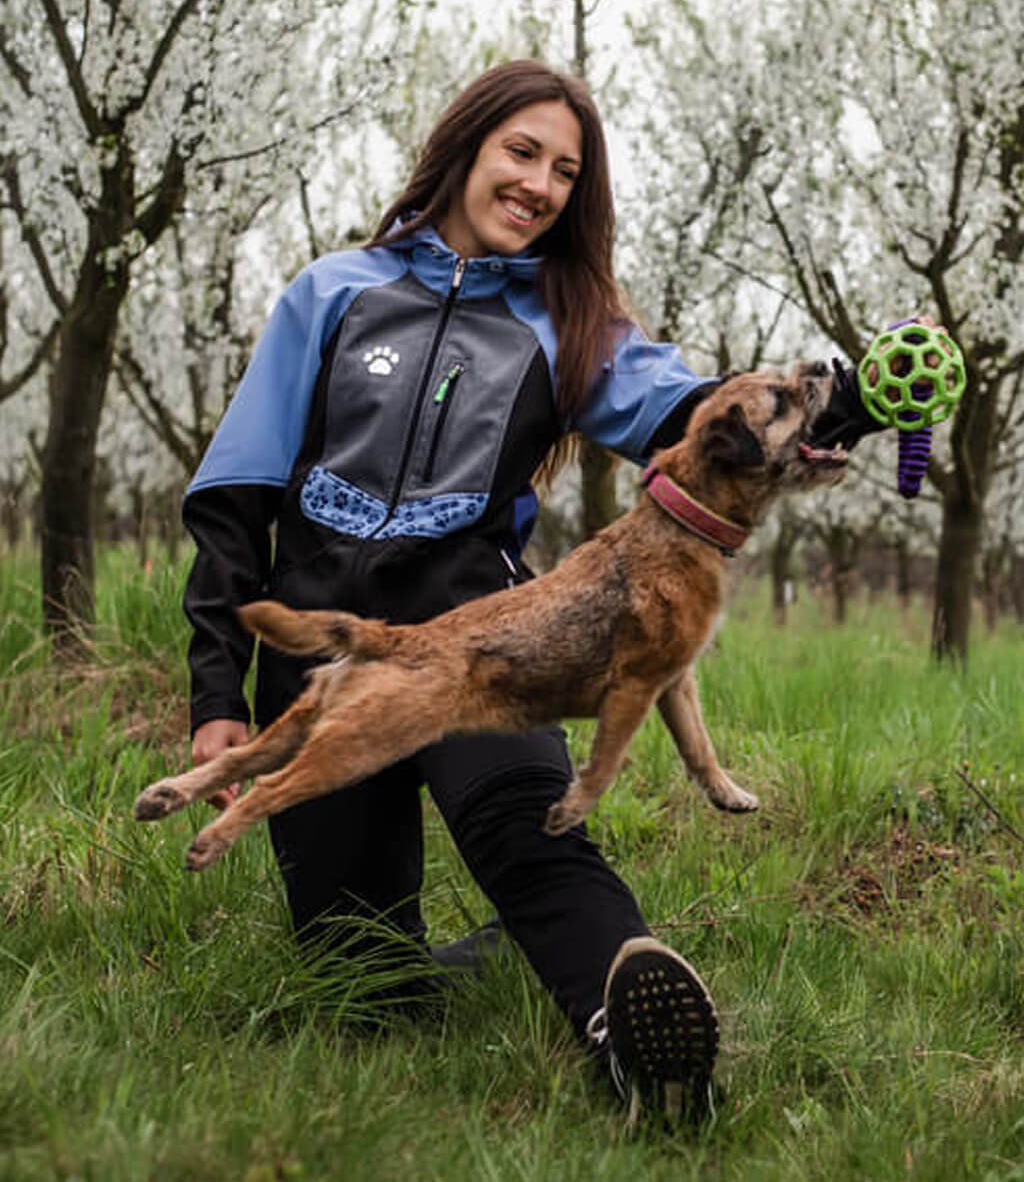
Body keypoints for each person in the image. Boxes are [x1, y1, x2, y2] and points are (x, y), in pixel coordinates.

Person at [182, 59, 879, 1124]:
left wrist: (837, 411)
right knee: (362, 978)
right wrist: (217, 701)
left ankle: (634, 1039)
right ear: (464, 147)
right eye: (522, 152)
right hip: (331, 655)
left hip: (491, 647)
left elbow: (699, 418)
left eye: (566, 171)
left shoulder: (574, 321)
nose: (540, 183)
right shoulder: (330, 293)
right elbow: (237, 493)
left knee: (530, 829)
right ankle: (477, 955)